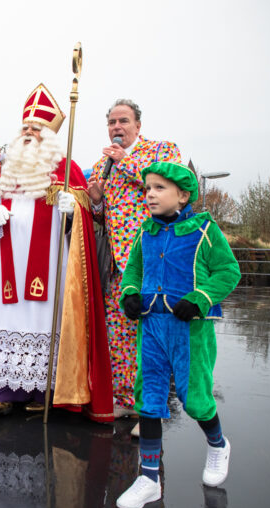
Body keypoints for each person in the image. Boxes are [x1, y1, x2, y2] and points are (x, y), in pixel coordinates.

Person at [0, 84, 113, 421]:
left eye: (37, 129)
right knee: (6, 319)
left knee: (44, 323)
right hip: (8, 260)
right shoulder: (8, 169)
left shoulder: (66, 169)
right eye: (26, 128)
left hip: (49, 263)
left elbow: (84, 225)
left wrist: (74, 207)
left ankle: (42, 392)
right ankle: (0, 395)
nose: (30, 133)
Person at [115, 161, 240, 508]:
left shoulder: (204, 230)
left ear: (183, 195)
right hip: (152, 325)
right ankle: (149, 478)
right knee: (149, 399)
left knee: (195, 398)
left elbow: (229, 271)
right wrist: (129, 293)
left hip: (190, 329)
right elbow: (133, 270)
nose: (150, 195)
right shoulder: (145, 232)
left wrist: (201, 298)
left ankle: (217, 444)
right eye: (147, 189)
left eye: (159, 188)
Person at [87, 99, 181, 435]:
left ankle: (152, 410)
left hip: (153, 259)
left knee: (151, 334)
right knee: (120, 336)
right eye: (111, 122)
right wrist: (96, 200)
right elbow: (101, 217)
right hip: (117, 266)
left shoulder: (161, 151)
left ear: (138, 125)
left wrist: (125, 162)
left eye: (123, 121)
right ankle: (126, 399)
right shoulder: (102, 165)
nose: (116, 128)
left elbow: (166, 184)